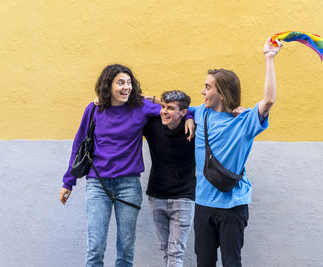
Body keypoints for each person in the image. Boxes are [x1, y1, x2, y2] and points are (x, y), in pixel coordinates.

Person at [58, 64, 194, 267]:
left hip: (128, 186)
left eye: (129, 83)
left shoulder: (140, 107)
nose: (126, 87)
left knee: (126, 248)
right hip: (98, 185)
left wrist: (190, 117)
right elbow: (79, 144)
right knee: (95, 247)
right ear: (108, 85)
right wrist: (68, 182)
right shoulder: (94, 109)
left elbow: (176, 109)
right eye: (120, 83)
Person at [188, 39, 282, 267]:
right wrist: (190, 119)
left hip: (232, 206)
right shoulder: (201, 113)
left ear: (222, 92)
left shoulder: (244, 122)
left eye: (207, 87)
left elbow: (268, 100)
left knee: (232, 262)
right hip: (203, 204)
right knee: (204, 262)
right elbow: (180, 108)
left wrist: (269, 58)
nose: (202, 91)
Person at [143, 90, 195, 267]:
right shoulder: (152, 125)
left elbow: (207, 112)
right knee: (166, 248)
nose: (164, 111)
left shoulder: (193, 128)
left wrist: (191, 116)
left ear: (183, 112)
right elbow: (131, 110)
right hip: (156, 196)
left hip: (184, 197)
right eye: (163, 106)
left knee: (175, 252)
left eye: (170, 108)